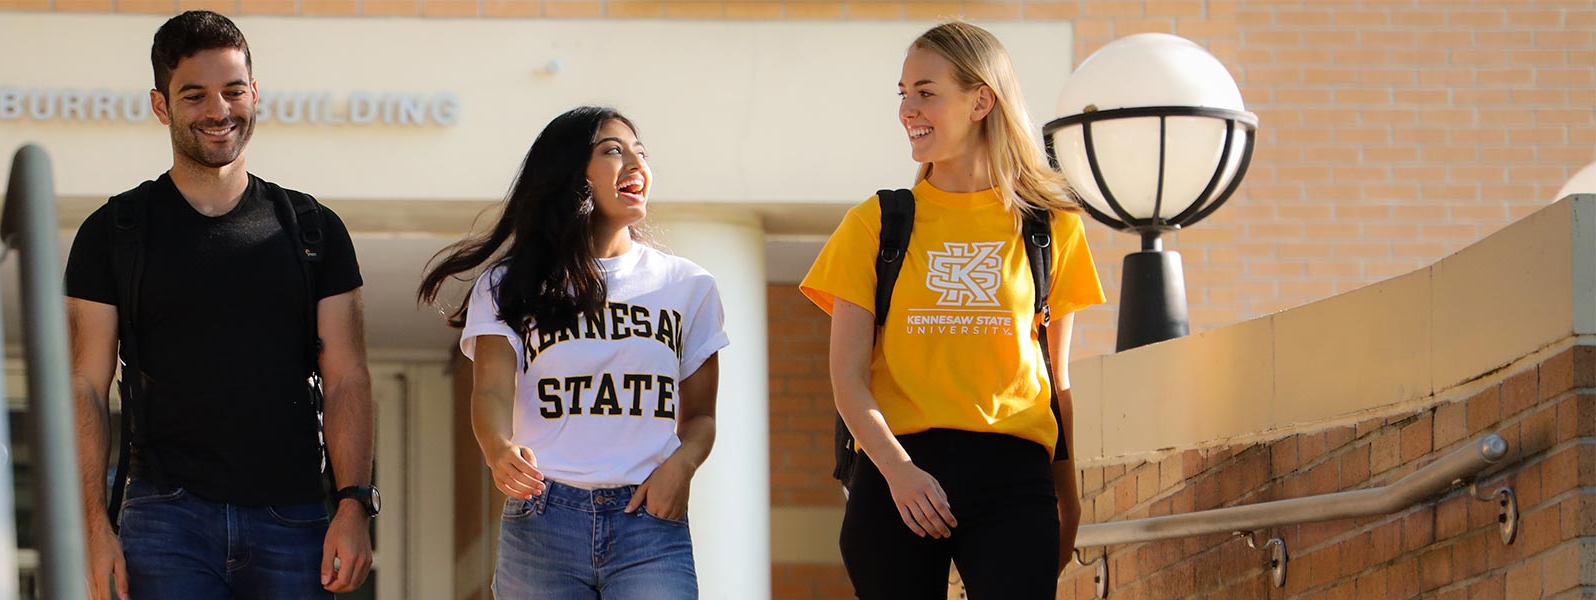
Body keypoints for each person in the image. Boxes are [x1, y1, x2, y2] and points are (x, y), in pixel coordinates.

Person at [63, 11, 375, 599]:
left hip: (295, 514)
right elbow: (84, 385)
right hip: (165, 516)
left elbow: (347, 378)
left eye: (233, 90)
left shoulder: (312, 229)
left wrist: (354, 505)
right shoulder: (114, 232)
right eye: (195, 95)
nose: (219, 111)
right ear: (161, 106)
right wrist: (91, 527)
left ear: (254, 93)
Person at [799, 21, 1106, 599]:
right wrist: (899, 472)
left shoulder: (1049, 228)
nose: (906, 109)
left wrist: (1070, 500)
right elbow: (847, 378)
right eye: (903, 93)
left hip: (1015, 477)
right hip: (898, 474)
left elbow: (1055, 380)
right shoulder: (875, 224)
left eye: (925, 91)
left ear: (981, 100)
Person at [417, 106, 727, 599]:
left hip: (648, 519)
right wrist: (498, 450)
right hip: (543, 517)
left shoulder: (688, 286)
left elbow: (701, 418)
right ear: (570, 175)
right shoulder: (508, 285)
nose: (635, 164)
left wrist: (682, 466)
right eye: (612, 150)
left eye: (639, 153)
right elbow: (491, 392)